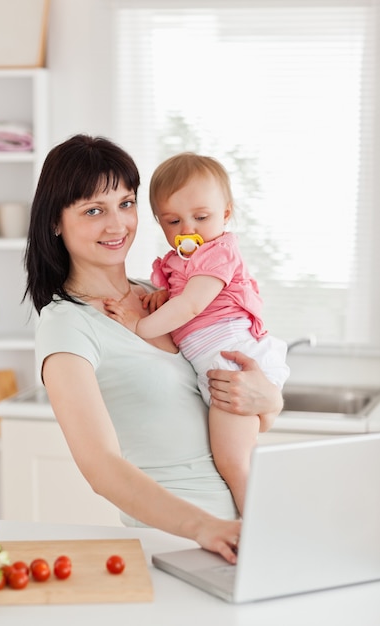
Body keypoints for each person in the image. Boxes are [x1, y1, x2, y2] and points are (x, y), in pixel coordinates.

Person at [24, 134, 284, 564]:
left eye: (126, 204)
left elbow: (229, 414)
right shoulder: (66, 325)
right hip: (182, 546)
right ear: (55, 221)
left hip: (250, 532)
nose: (116, 225)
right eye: (93, 210)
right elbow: (101, 468)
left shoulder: (164, 298)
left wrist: (270, 401)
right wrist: (206, 527)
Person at [105, 153, 290, 515]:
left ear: (225, 213)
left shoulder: (217, 253)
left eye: (201, 217)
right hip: (216, 366)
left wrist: (137, 324)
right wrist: (163, 296)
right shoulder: (182, 262)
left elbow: (191, 307)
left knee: (235, 464)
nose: (187, 228)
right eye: (173, 221)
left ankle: (261, 535)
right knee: (234, 461)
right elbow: (181, 299)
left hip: (229, 362)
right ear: (159, 223)